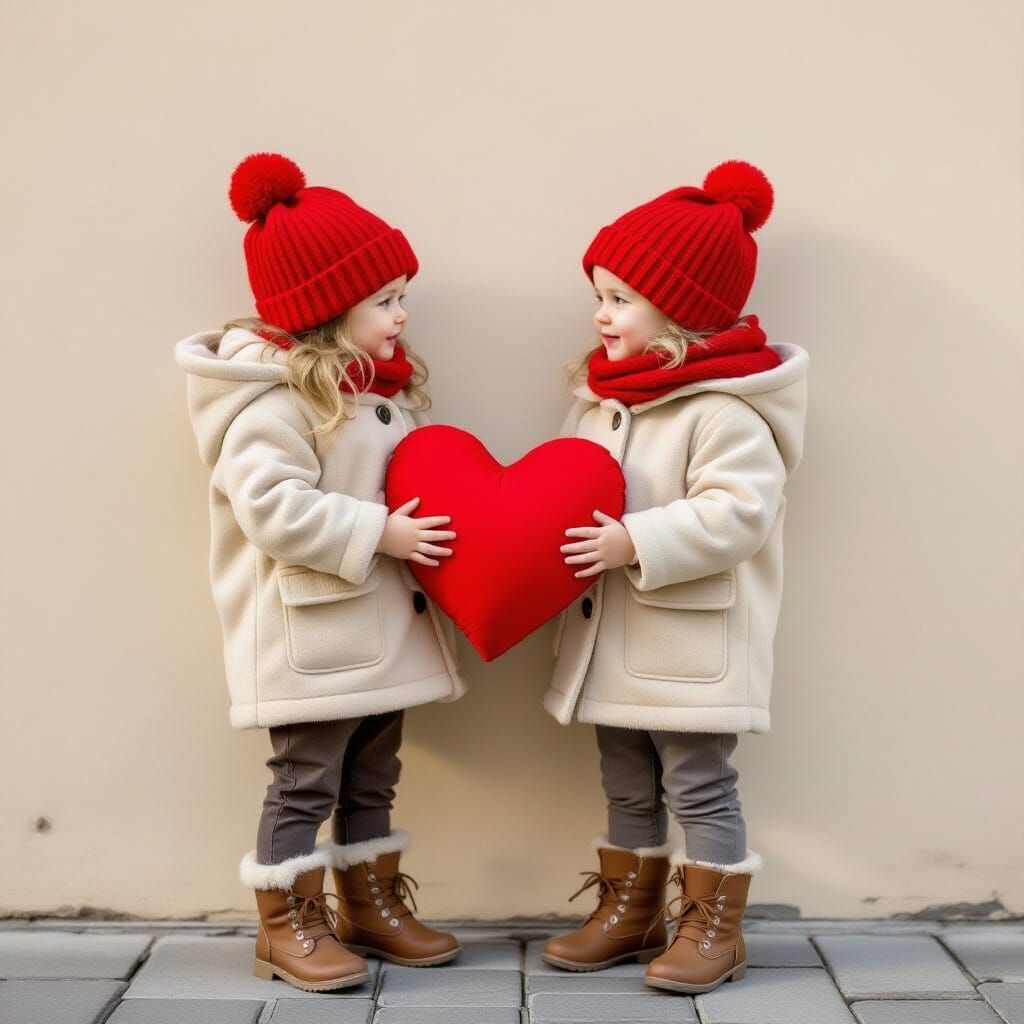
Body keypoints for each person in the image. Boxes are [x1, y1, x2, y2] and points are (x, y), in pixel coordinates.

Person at [175, 152, 465, 992]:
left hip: (376, 627)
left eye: (401, 296)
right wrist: (382, 533)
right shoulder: (270, 404)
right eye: (386, 300)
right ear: (326, 310)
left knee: (374, 770)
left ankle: (370, 902)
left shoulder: (376, 388)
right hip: (313, 630)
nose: (403, 314)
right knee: (306, 779)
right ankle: (285, 923)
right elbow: (274, 510)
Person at [541, 159, 809, 995]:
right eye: (601, 294)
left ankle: (713, 927)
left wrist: (635, 542)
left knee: (698, 781)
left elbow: (739, 513)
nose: (600, 313)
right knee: (624, 773)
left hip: (687, 641)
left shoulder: (722, 410)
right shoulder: (602, 397)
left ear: (680, 309)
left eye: (620, 298)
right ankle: (631, 907)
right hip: (611, 640)